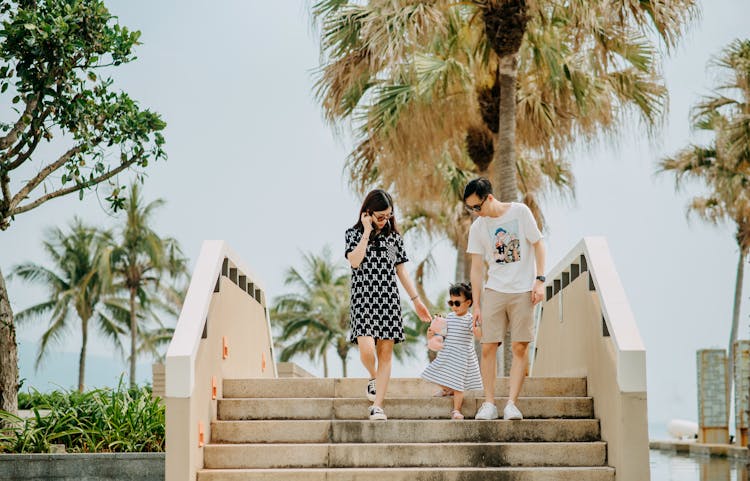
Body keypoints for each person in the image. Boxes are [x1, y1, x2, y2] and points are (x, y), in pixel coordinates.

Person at [463, 177, 546, 421]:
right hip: (495, 290)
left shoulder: (520, 212)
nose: (476, 213)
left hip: (522, 290)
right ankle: (489, 404)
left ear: (489, 197)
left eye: (478, 207)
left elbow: (539, 244)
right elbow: (476, 269)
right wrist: (476, 305)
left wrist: (539, 280)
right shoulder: (478, 228)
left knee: (519, 346)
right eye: (471, 209)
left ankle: (511, 404)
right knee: (488, 346)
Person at [345, 189, 431, 421]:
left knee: (385, 353)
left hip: (388, 300)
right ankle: (374, 377)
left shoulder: (394, 239)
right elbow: (354, 261)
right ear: (367, 213)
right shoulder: (353, 234)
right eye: (380, 216)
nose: (385, 221)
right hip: (363, 299)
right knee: (366, 350)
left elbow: (401, 272)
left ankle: (378, 406)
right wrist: (366, 231)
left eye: (389, 216)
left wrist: (417, 301)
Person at [421, 282, 483, 420]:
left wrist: (477, 328)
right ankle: (446, 389)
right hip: (448, 353)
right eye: (451, 303)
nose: (454, 306)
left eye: (457, 303)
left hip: (462, 356)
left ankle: (456, 410)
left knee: (458, 385)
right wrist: (431, 335)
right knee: (432, 374)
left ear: (468, 303)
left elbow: (479, 337)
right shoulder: (449, 317)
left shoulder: (470, 319)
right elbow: (440, 334)